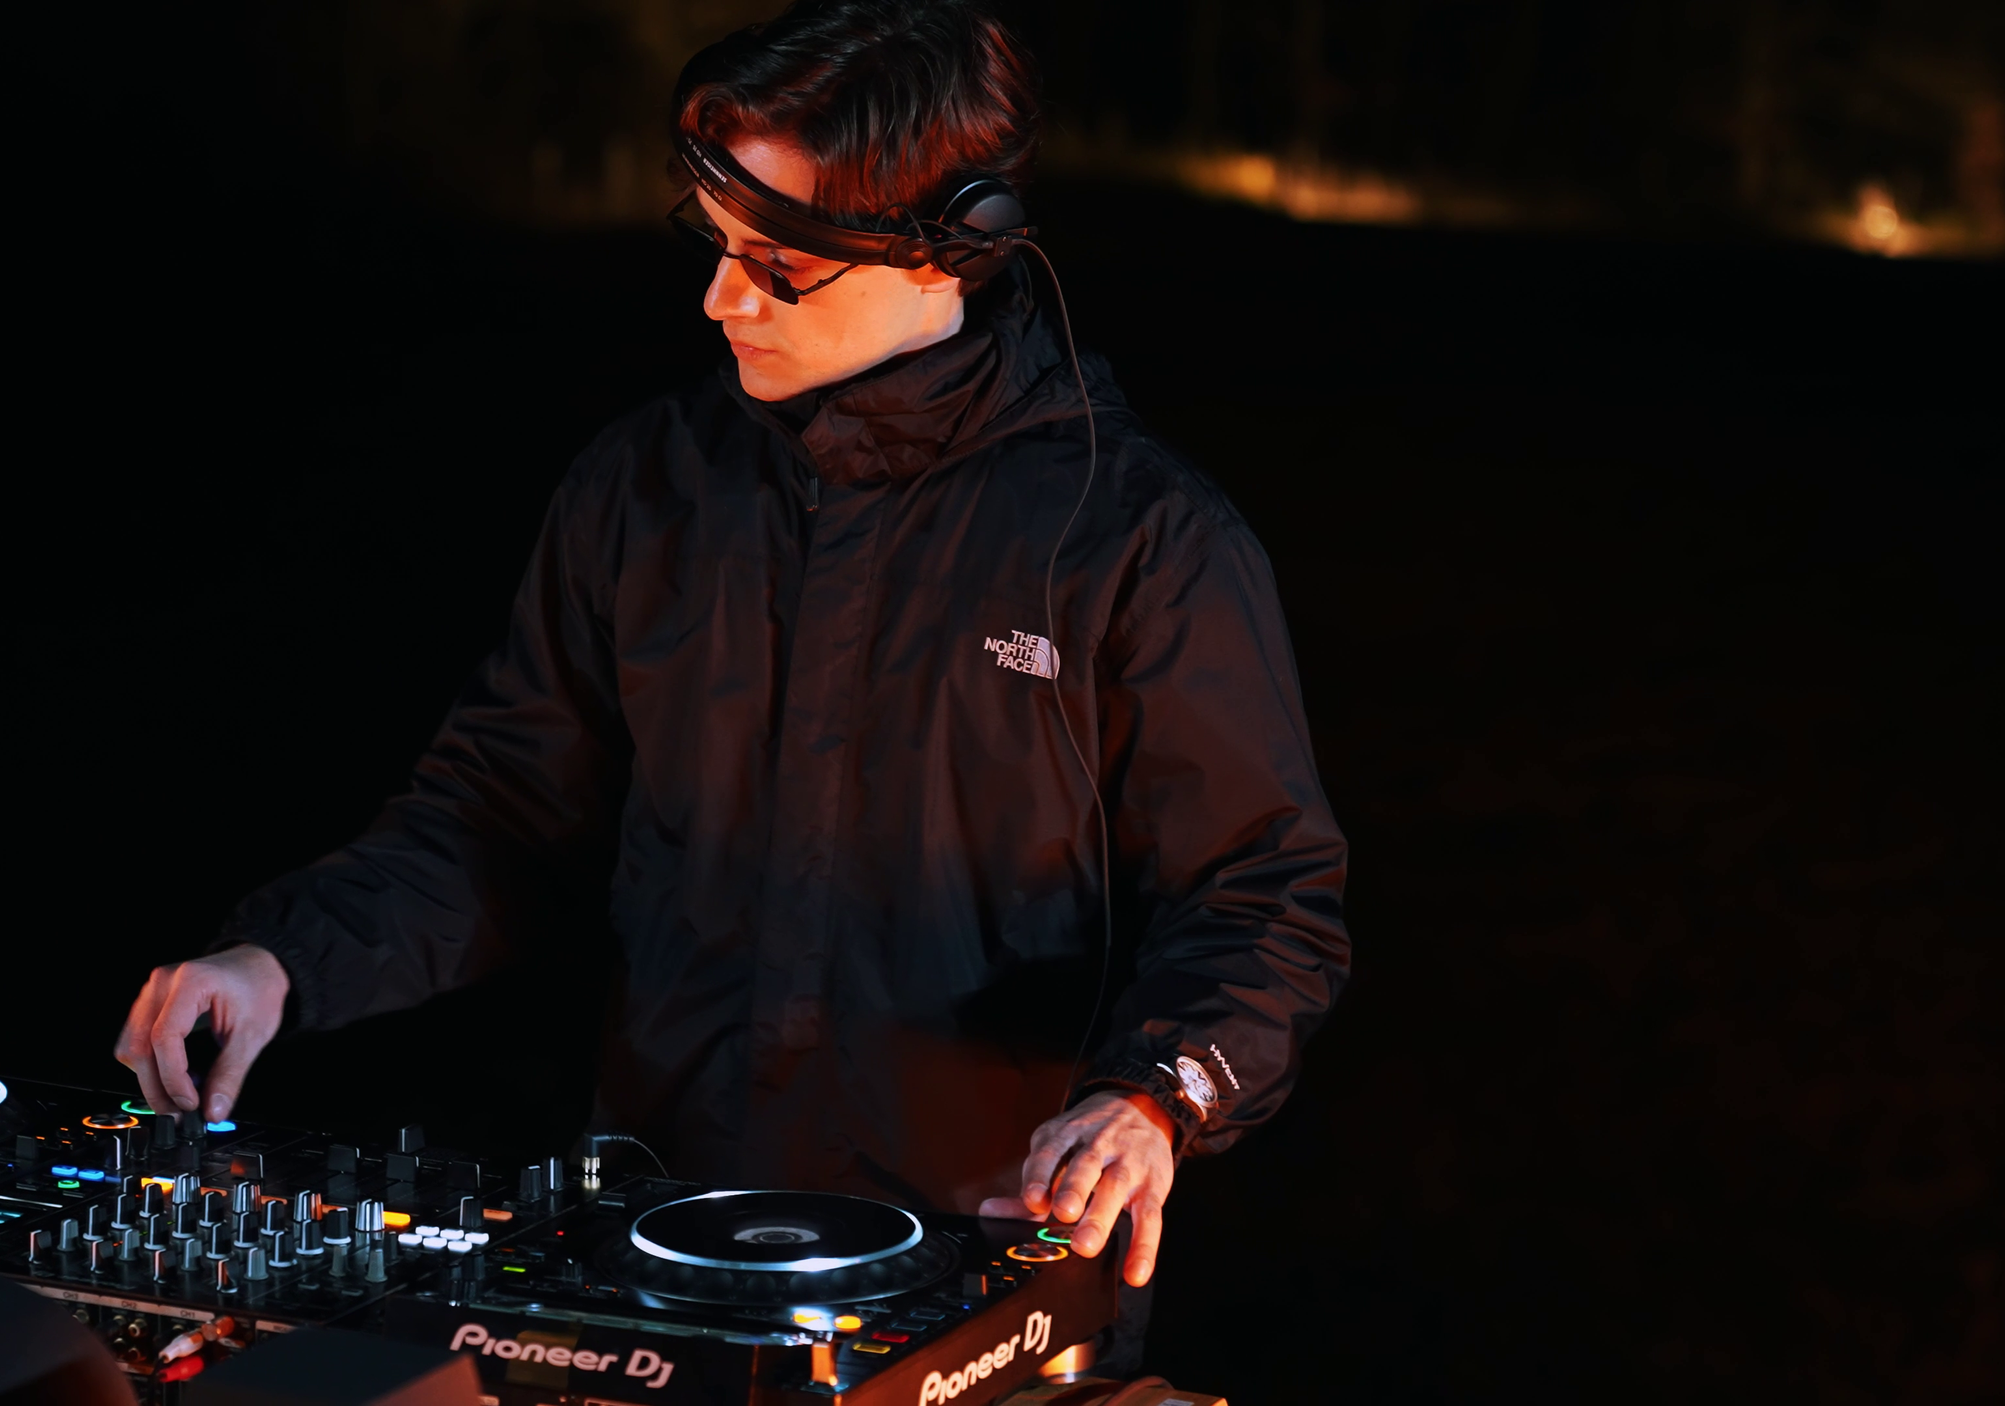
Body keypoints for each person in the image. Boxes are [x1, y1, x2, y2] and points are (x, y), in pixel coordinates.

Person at [114, 0, 1347, 1369]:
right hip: (653, 1253)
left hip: (977, 1279)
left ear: (955, 243)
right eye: (715, 249)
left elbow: (1264, 891)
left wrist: (1154, 1096)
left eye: (780, 267)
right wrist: (285, 955)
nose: (720, 299)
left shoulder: (1144, 543)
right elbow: (501, 817)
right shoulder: (645, 489)